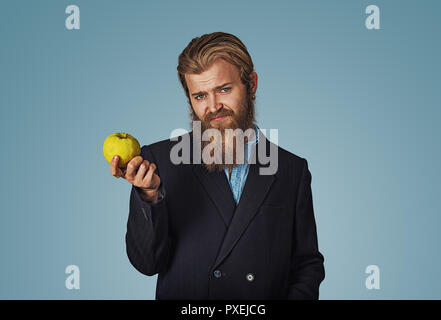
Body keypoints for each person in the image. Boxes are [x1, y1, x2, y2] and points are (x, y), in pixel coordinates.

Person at [110, 32, 325, 299]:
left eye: (224, 89)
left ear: (252, 84)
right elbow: (146, 264)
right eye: (200, 96)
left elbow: (306, 264)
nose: (213, 107)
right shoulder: (159, 161)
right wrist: (149, 196)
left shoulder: (292, 170)